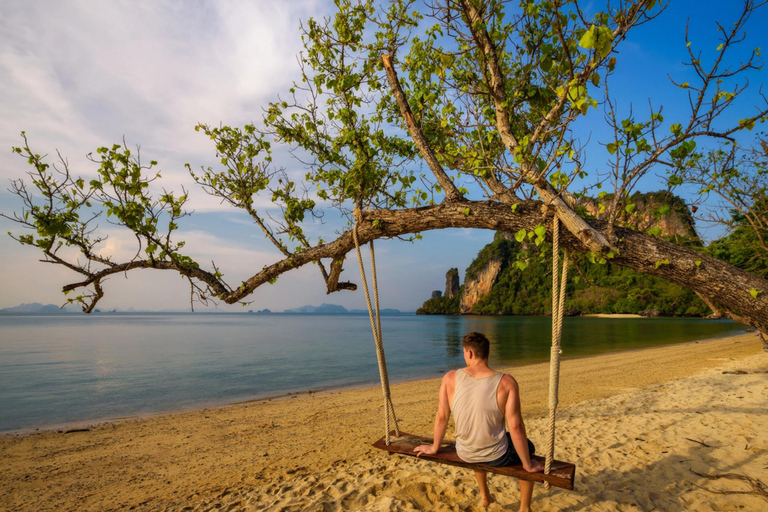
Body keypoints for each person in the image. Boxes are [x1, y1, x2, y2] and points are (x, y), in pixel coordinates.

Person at [414, 332, 543, 510]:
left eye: (464, 353)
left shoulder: (450, 378)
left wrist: (434, 447)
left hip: (465, 452)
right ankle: (524, 508)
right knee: (527, 447)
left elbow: (442, 415)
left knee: (480, 434)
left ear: (469, 353)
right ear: (487, 353)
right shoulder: (506, 382)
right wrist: (527, 464)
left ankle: (484, 495)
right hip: (496, 456)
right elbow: (515, 426)